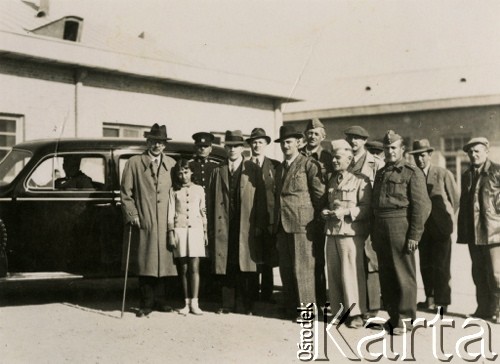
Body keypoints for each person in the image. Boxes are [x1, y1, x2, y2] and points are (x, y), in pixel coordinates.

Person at [371, 130, 431, 334]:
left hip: (400, 225)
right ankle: (394, 316)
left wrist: (415, 235)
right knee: (386, 275)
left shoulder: (411, 172)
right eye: (387, 148)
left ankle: (405, 319)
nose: (389, 151)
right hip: (380, 226)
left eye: (393, 147)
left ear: (402, 150)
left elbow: (421, 206)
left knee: (403, 274)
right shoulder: (381, 172)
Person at [120, 123, 177, 317]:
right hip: (145, 219)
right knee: (146, 262)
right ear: (148, 142)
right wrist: (132, 214)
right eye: (153, 141)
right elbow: (126, 193)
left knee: (165, 262)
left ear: (165, 145)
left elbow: (177, 192)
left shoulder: (171, 164)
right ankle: (146, 303)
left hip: (165, 221)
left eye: (160, 142)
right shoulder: (134, 163)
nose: (157, 146)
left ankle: (161, 301)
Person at [207, 130, 266, 315]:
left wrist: (259, 225)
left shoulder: (252, 170)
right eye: (229, 146)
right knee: (226, 263)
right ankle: (227, 304)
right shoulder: (218, 170)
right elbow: (210, 200)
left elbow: (261, 199)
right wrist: (210, 227)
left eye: (236, 146)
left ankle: (247, 305)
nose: (232, 150)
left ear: (243, 148)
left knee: (246, 264)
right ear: (225, 148)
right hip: (223, 223)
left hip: (246, 224)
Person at [274, 125, 325, 319]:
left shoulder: (308, 164)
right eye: (283, 143)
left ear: (298, 143)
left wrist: (316, 221)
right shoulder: (280, 168)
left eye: (289, 142)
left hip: (303, 224)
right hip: (283, 224)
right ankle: (291, 307)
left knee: (303, 269)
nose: (286, 146)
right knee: (286, 269)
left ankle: (307, 311)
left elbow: (319, 195)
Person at [322, 140, 372, 328]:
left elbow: (366, 208)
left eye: (338, 157)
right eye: (333, 157)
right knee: (334, 274)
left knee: (351, 273)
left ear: (350, 158)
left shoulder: (361, 180)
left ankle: (355, 314)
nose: (334, 161)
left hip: (350, 233)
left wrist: (346, 213)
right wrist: (325, 212)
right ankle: (338, 311)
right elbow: (330, 202)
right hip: (332, 231)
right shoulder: (332, 179)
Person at [408, 139, 459, 314]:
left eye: (422, 155)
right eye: (416, 156)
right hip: (422, 229)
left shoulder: (442, 173)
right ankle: (429, 298)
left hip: (441, 228)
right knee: (425, 264)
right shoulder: (412, 175)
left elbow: (455, 200)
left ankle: (442, 301)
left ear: (430, 155)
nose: (419, 160)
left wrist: (447, 222)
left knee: (442, 265)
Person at [457, 137, 500, 324]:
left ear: (486, 151)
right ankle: (484, 309)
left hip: (494, 231)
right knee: (479, 273)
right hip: (474, 232)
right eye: (470, 152)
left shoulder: (497, 171)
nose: (473, 155)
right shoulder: (467, 175)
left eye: (477, 151)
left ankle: (499, 310)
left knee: (496, 273)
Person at [344, 125, 384, 320]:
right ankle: (358, 305)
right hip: (353, 219)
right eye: (351, 138)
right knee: (355, 262)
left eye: (357, 139)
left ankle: (373, 307)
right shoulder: (346, 162)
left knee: (371, 262)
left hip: (371, 218)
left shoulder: (374, 163)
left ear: (364, 141)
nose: (353, 142)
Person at [167, 159, 207, 315]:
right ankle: (186, 302)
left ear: (191, 172)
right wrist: (171, 233)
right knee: (183, 268)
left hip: (196, 230)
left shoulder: (199, 189)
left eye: (186, 172)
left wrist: (205, 232)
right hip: (180, 230)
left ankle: (195, 303)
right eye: (180, 173)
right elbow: (171, 213)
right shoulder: (173, 191)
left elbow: (203, 211)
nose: (183, 176)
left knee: (194, 267)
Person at [300, 118, 332, 307]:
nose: (312, 136)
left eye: (316, 134)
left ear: (323, 136)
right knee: (304, 258)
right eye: (309, 133)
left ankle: (320, 298)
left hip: (321, 213)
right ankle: (306, 298)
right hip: (302, 213)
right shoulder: (299, 155)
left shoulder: (327, 157)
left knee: (319, 259)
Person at [246, 128, 280, 303]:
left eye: (260, 142)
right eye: (254, 142)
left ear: (266, 144)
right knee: (252, 257)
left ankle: (267, 295)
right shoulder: (245, 166)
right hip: (249, 219)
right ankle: (251, 294)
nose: (257, 145)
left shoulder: (274, 166)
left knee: (268, 258)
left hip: (269, 218)